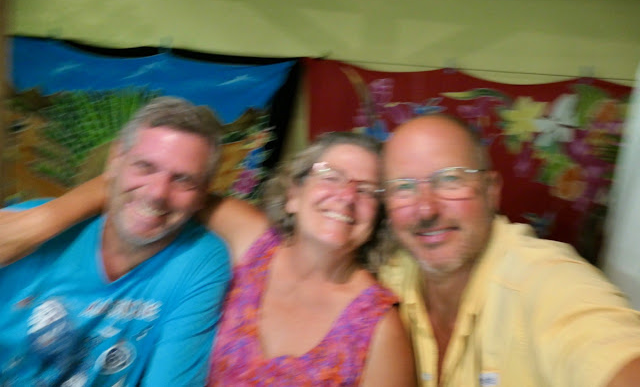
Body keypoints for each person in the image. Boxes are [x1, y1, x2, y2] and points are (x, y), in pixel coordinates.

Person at [0, 131, 416, 385]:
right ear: (294, 194)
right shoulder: (253, 241)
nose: (346, 196)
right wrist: (42, 221)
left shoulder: (379, 327)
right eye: (330, 176)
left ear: (378, 216)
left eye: (367, 190)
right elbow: (153, 191)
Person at [377, 114, 640, 386]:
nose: (426, 209)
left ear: (491, 191)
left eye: (450, 179)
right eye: (403, 187)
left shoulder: (542, 280)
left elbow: (610, 351)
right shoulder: (388, 279)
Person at [0, 97, 231, 386]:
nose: (157, 193)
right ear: (115, 161)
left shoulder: (200, 262)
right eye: (145, 166)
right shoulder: (22, 230)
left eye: (183, 180)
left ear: (203, 195)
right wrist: (44, 220)